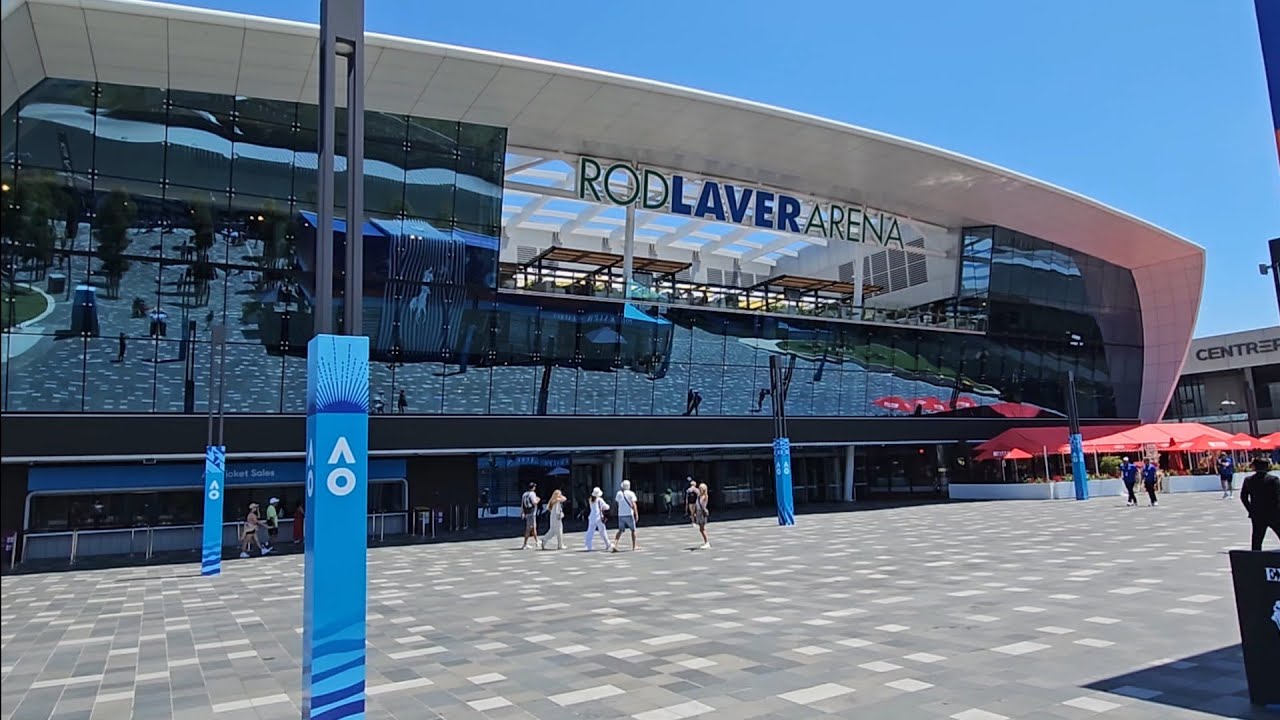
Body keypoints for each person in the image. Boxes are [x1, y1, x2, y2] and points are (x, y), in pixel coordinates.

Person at [1241, 458, 1280, 551]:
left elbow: (1243, 497)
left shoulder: (1248, 480)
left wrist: (1251, 510)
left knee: (1257, 540)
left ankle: (1255, 560)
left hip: (1257, 514)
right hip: (1274, 513)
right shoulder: (1273, 480)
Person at [612, 480, 639, 553]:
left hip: (621, 514)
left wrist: (614, 512)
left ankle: (615, 544)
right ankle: (634, 546)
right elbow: (633, 504)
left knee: (620, 530)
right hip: (629, 514)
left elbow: (616, 503)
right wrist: (636, 514)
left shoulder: (619, 493)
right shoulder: (631, 493)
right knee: (633, 530)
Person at [585, 487, 612, 552]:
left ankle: (589, 546)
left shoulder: (590, 499)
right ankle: (608, 544)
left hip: (592, 517)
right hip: (599, 517)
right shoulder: (599, 499)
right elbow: (606, 507)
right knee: (602, 532)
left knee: (590, 532)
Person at [519, 482, 540, 550]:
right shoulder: (532, 494)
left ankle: (536, 541)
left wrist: (522, 512)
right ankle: (525, 544)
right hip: (532, 512)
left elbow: (522, 504)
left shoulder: (524, 494)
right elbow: (534, 502)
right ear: (533, 487)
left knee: (532, 528)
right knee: (530, 528)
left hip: (527, 512)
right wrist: (538, 499)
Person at [694, 482, 711, 549]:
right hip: (698, 512)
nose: (700, 489)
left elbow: (703, 504)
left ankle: (707, 542)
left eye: (701, 488)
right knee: (701, 529)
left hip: (702, 513)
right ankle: (706, 542)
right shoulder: (699, 496)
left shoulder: (705, 496)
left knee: (702, 529)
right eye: (699, 488)